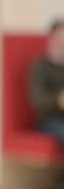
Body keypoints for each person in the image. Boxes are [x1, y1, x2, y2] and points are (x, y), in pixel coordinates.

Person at [29, 18, 64, 148]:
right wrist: (59, 100)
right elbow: (38, 102)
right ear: (52, 38)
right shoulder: (39, 66)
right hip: (49, 119)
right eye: (61, 36)